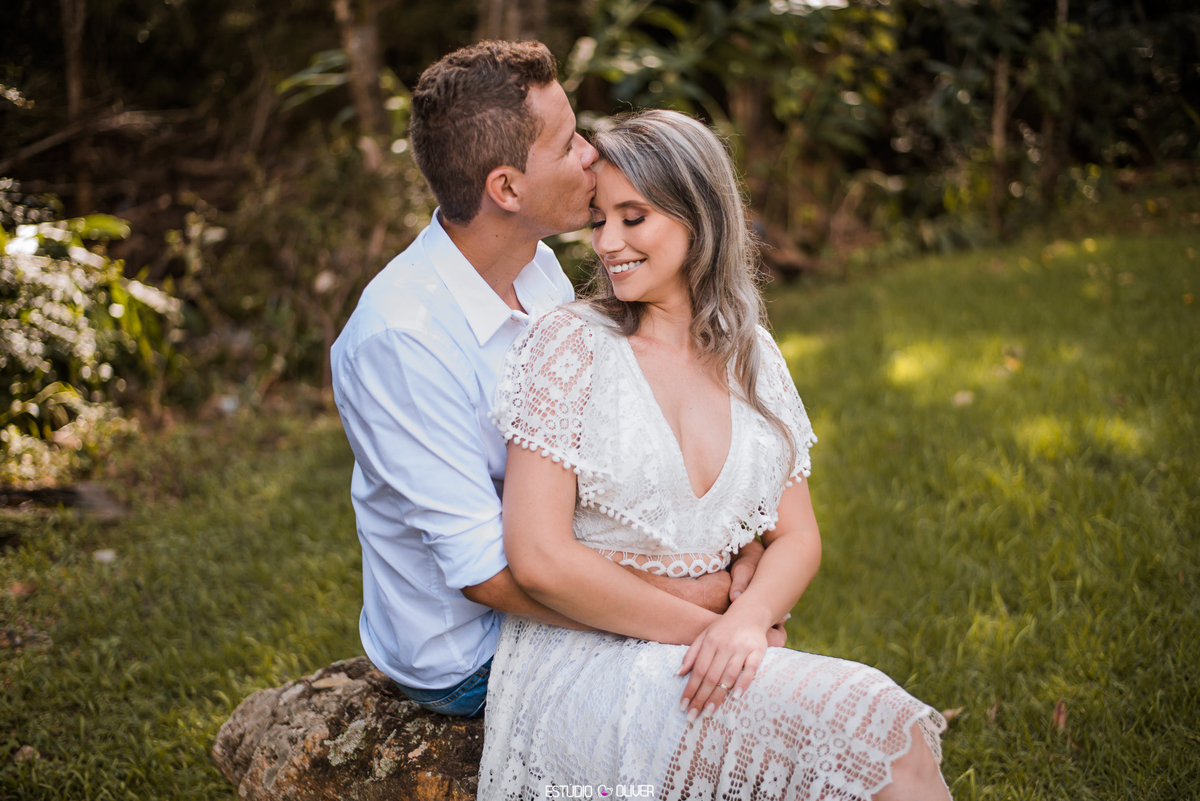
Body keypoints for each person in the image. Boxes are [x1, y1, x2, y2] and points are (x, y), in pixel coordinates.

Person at [478, 109, 951, 800]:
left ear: (699, 214)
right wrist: (720, 631)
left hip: (715, 649)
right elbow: (539, 556)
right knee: (876, 721)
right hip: (587, 662)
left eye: (633, 217)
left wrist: (750, 619)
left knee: (883, 737)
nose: (608, 242)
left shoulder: (752, 353)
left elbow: (796, 533)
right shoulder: (570, 346)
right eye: (599, 219)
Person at [330, 41, 760, 720]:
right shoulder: (400, 342)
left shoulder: (537, 270)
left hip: (571, 570)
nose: (591, 153)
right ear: (506, 188)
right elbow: (488, 576)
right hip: (475, 651)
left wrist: (734, 554)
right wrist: (699, 613)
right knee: (739, 702)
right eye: (566, 145)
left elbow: (621, 439)